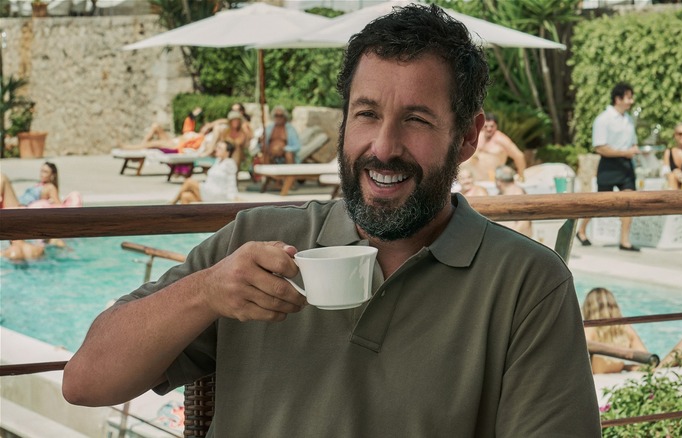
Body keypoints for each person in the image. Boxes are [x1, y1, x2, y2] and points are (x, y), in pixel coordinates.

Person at [63, 5, 600, 436]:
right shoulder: (254, 243)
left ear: (466, 137)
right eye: (366, 114)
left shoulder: (526, 284)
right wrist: (205, 292)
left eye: (415, 119)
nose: (383, 148)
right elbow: (86, 381)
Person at [576, 83, 641, 251]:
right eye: (628, 97)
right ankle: (581, 230)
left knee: (630, 201)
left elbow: (632, 142)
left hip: (626, 165)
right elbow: (600, 147)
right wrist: (623, 152)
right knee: (600, 202)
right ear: (618, 99)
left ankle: (624, 241)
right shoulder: (603, 119)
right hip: (609, 165)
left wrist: (634, 150)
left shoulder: (628, 119)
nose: (631, 101)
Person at [581, 287, 649, 374]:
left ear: (588, 307)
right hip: (616, 376)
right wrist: (625, 367)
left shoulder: (589, 330)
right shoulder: (625, 328)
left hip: (596, 381)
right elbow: (646, 359)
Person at [464, 112, 526, 182]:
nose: (489, 129)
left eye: (492, 126)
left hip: (493, 181)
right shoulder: (478, 136)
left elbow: (519, 156)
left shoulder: (501, 140)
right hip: (475, 180)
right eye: (486, 126)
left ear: (496, 126)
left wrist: (521, 176)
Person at [170, 142, 238, 205]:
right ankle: (186, 218)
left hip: (217, 194)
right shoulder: (218, 161)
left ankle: (172, 204)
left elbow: (231, 181)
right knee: (185, 196)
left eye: (220, 148)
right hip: (208, 191)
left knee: (189, 182)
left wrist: (233, 197)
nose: (216, 149)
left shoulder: (230, 163)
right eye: (217, 147)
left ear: (227, 152)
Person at [0, 163, 81, 208]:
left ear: (52, 175)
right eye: (41, 171)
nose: (42, 174)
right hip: (17, 204)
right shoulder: (38, 185)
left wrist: (50, 203)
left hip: (20, 208)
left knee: (2, 177)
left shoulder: (50, 187)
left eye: (45, 172)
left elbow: (59, 206)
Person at [494, 165, 533, 237]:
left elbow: (524, 222)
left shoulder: (517, 194)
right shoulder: (502, 194)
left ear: (498, 181)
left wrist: (508, 238)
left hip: (515, 240)